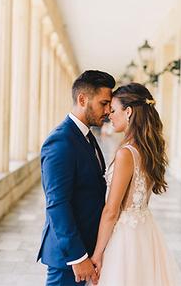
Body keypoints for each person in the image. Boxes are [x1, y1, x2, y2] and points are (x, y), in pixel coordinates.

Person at [89, 83, 181, 286]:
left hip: (124, 239)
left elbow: (111, 211)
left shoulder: (126, 154)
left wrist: (97, 254)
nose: (109, 115)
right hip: (145, 232)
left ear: (128, 111)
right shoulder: (147, 149)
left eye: (113, 110)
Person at [37, 70, 115, 285]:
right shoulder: (60, 141)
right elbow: (57, 203)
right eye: (104, 103)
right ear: (82, 99)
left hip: (88, 247)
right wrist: (78, 257)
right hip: (69, 258)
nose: (108, 111)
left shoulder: (86, 135)